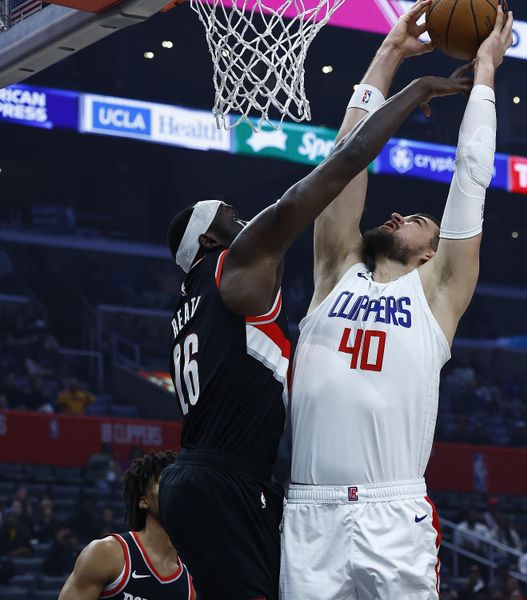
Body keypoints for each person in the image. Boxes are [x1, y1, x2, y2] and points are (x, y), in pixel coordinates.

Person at [157, 28, 471, 600]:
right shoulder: (241, 261)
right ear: (210, 240)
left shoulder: (190, 299)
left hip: (218, 475)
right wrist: (410, 87)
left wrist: (389, 55)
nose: (244, 217)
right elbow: (340, 168)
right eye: (231, 215)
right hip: (239, 480)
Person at [281, 3, 514, 598]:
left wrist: (485, 72)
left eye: (415, 219)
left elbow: (470, 179)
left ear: (432, 254)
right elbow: (342, 165)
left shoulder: (439, 293)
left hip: (395, 510)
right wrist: (387, 56)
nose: (396, 215)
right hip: (310, 513)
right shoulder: (335, 271)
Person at [59, 451, 193, 600]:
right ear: (144, 501)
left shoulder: (191, 582)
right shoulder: (107, 553)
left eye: (181, 486)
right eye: (167, 483)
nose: (177, 492)